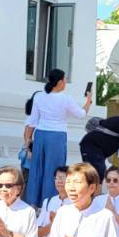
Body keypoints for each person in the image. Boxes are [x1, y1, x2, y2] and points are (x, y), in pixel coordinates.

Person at [23, 71, 89, 208]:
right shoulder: (65, 99)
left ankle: (33, 203)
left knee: (37, 169)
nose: (65, 83)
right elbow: (81, 114)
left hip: (40, 135)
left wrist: (28, 140)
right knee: (53, 171)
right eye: (64, 80)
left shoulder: (39, 96)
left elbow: (32, 121)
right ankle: (50, 203)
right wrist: (89, 101)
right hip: (56, 136)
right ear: (59, 82)